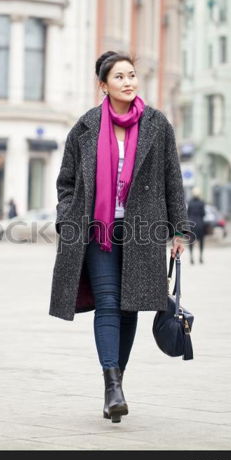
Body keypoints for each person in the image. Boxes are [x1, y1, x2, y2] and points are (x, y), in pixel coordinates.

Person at [48, 51, 188, 423]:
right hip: (98, 231)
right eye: (120, 77)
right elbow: (66, 182)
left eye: (132, 75)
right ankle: (112, 386)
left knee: (129, 308)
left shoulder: (157, 124)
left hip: (144, 230)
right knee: (108, 302)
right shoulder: (85, 127)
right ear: (104, 85)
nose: (128, 82)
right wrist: (68, 218)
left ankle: (117, 380)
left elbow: (172, 179)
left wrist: (179, 229)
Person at [187, 187, 205, 264]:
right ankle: (200, 257)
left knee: (191, 241)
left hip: (191, 224)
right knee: (201, 241)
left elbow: (188, 213)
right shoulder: (202, 203)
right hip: (200, 224)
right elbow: (203, 214)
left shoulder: (190, 202)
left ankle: (191, 257)